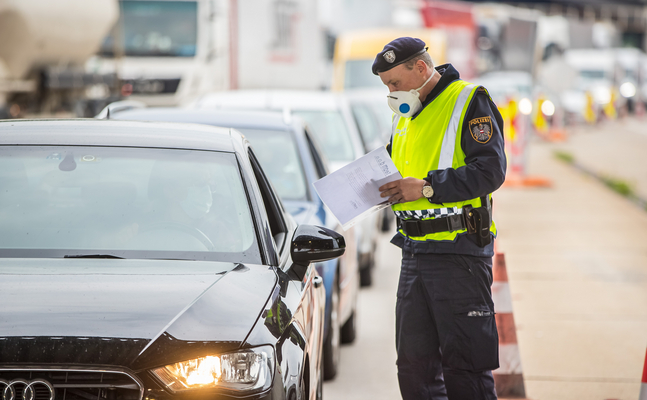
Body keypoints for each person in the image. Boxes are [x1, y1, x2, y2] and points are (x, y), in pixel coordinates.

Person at [374, 37, 506, 400]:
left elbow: (490, 171)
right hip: (415, 254)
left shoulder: (468, 100)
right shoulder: (403, 114)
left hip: (458, 255)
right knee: (414, 369)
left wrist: (428, 188)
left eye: (395, 83)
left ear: (421, 67)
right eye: (386, 86)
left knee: (465, 371)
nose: (391, 92)